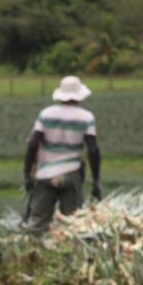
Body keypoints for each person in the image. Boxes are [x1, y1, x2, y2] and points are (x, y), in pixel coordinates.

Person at [22, 75, 102, 235]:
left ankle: (30, 256)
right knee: (72, 224)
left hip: (45, 174)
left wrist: (27, 174)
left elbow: (32, 143)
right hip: (71, 173)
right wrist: (96, 181)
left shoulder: (46, 114)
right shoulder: (86, 117)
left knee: (37, 223)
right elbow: (93, 150)